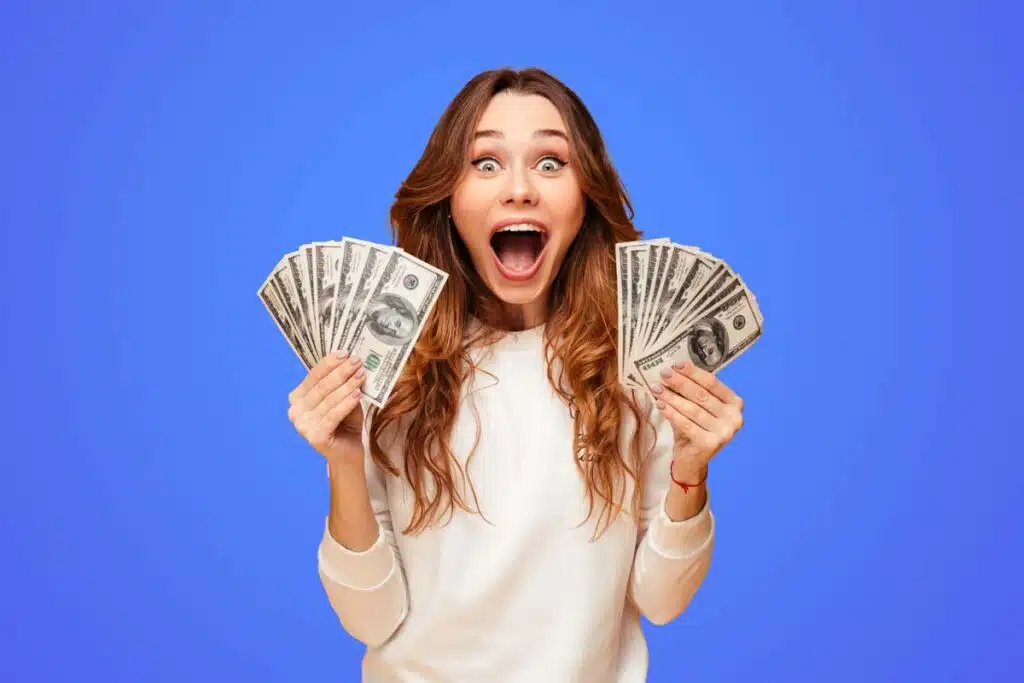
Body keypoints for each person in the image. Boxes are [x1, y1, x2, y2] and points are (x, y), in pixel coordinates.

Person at [286, 67, 747, 683]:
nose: (520, 189)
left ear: (585, 200)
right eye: (486, 163)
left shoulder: (639, 369)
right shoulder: (391, 369)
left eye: (551, 163)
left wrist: (691, 464)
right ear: (449, 198)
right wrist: (343, 459)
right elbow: (369, 619)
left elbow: (662, 601)